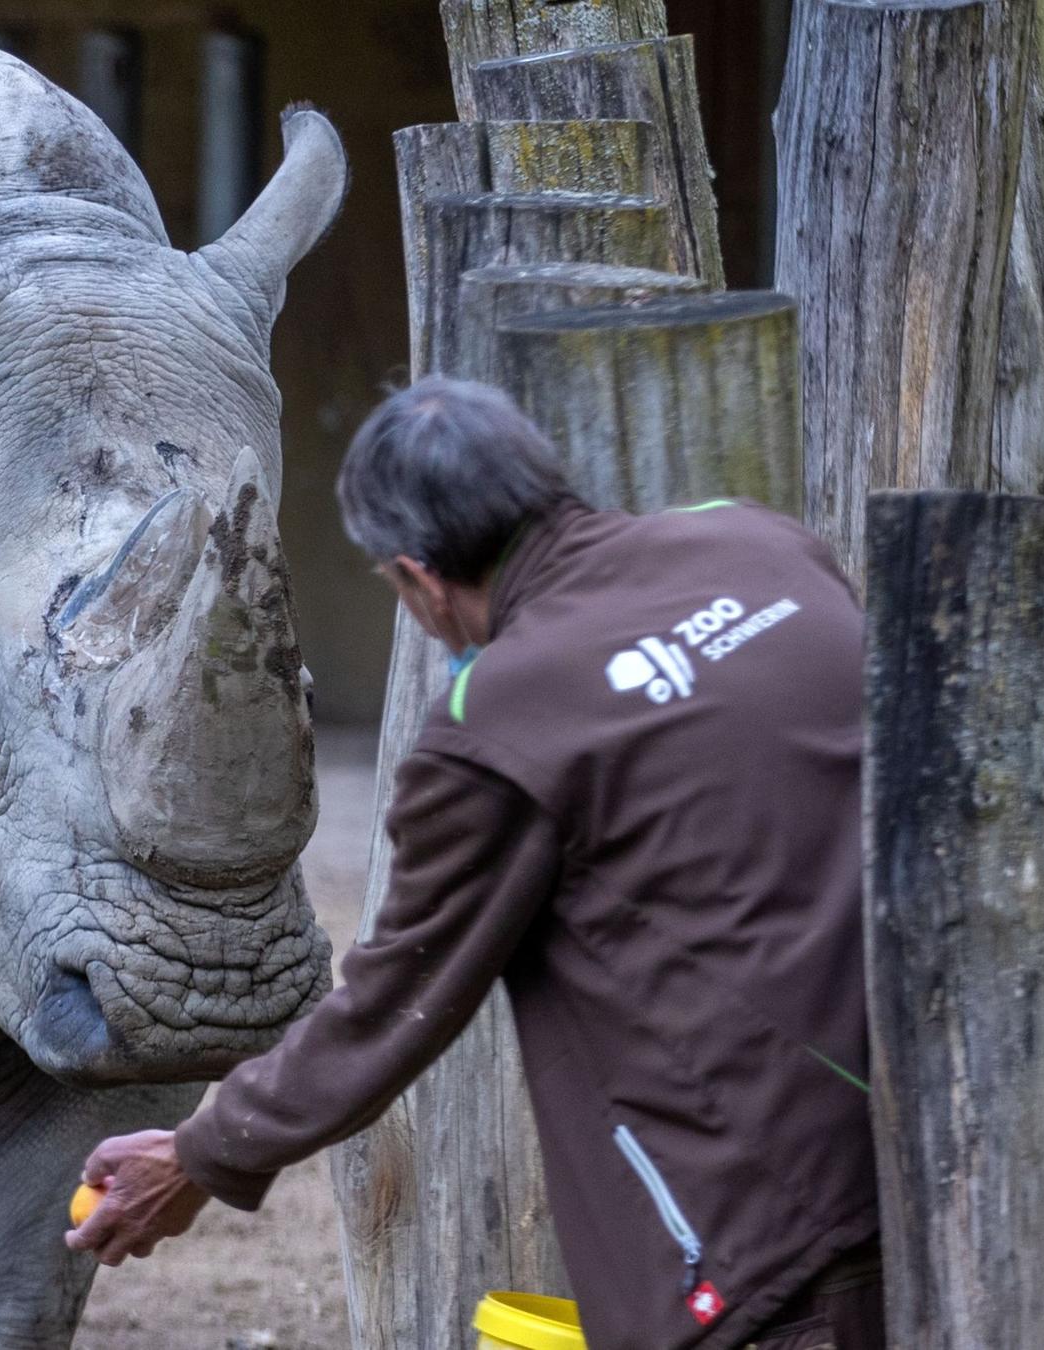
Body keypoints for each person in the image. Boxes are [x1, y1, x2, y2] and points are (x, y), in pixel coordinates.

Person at [66, 378, 884, 1350]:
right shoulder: (762, 543)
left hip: (766, 1227)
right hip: (937, 1123)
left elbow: (394, 1002)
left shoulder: (497, 724)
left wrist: (198, 1154)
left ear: (418, 578)